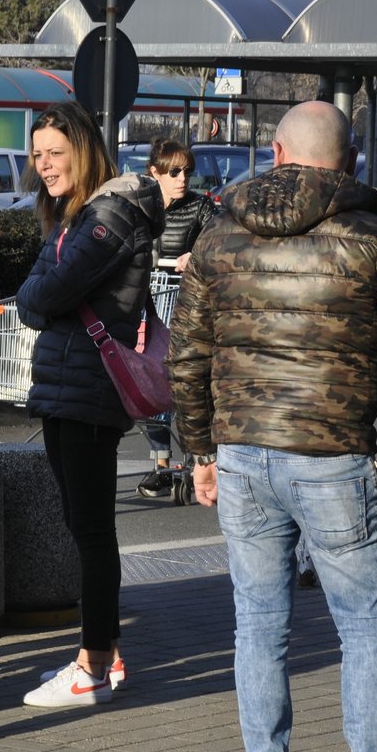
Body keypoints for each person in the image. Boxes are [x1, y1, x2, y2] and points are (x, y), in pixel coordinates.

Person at [168, 100, 377, 752]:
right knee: (364, 627)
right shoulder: (373, 235)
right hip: (332, 454)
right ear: (350, 161)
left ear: (276, 150)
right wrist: (363, 371)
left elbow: (186, 354)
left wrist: (198, 452)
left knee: (257, 626)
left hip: (241, 452)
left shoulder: (219, 233)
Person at [15, 100, 163, 708]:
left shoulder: (107, 216)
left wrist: (36, 297)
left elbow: (40, 292)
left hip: (89, 389)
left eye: (56, 153)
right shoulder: (76, 215)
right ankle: (103, 651)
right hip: (69, 387)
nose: (44, 166)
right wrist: (36, 295)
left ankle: (93, 666)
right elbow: (35, 289)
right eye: (38, 155)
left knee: (93, 531)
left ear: (84, 149)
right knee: (85, 527)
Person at [136, 137, 217, 500]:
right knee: (148, 380)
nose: (182, 178)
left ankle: (187, 462)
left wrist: (194, 255)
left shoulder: (200, 209)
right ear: (155, 172)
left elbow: (219, 240)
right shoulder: (141, 207)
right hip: (145, 301)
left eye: (187, 171)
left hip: (182, 304)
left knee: (179, 381)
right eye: (174, 171)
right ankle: (162, 465)